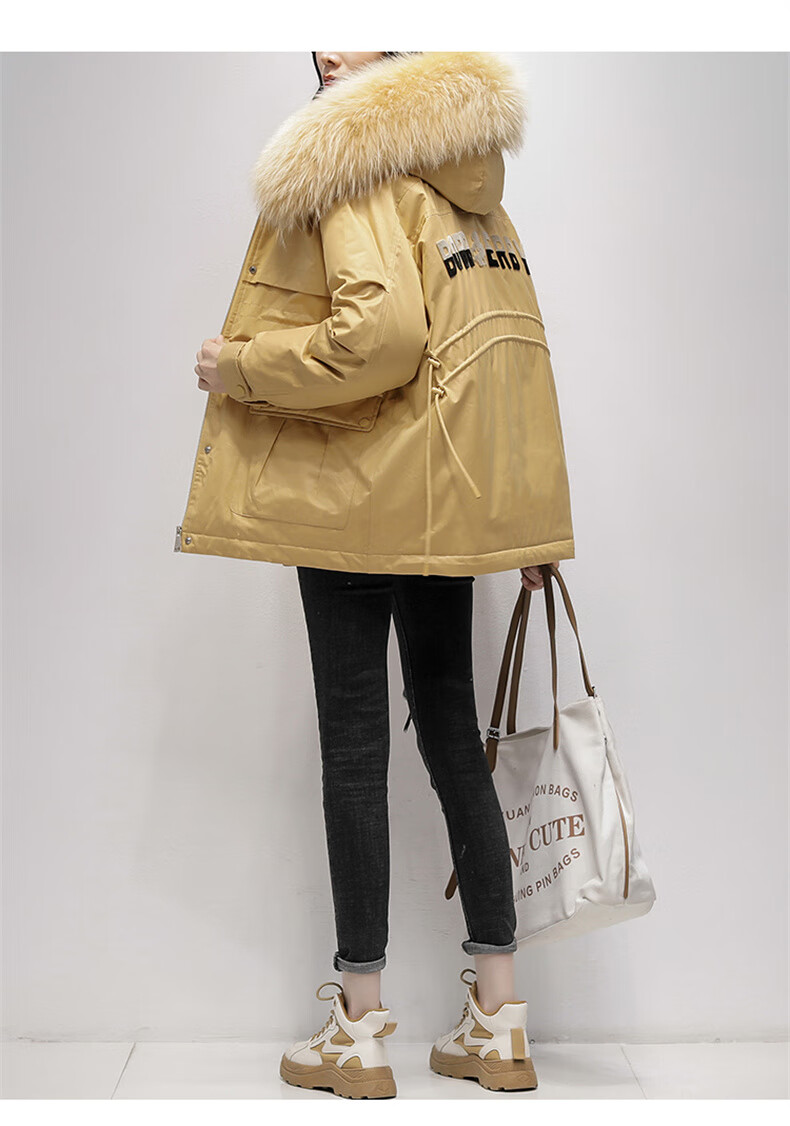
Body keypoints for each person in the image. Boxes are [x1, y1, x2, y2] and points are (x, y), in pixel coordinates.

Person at [181, 50, 575, 1098]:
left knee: (355, 750)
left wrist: (238, 366)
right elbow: (510, 360)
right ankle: (499, 1022)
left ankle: (358, 1030)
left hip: (355, 496)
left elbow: (381, 336)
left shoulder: (351, 166)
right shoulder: (475, 192)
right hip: (448, 503)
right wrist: (525, 515)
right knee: (451, 735)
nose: (323, 48)